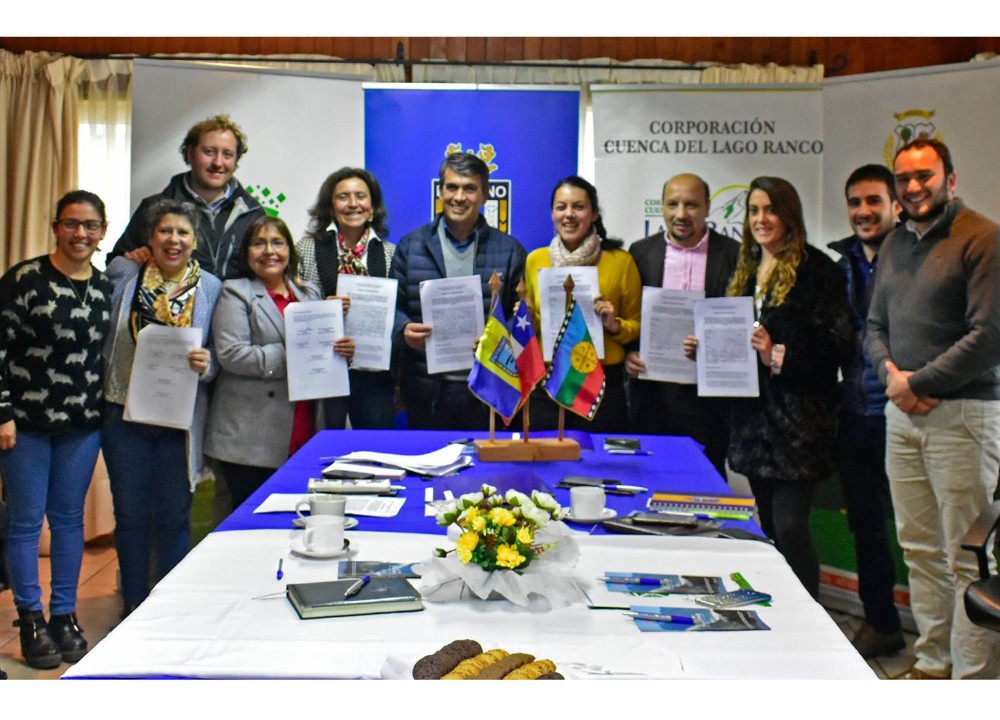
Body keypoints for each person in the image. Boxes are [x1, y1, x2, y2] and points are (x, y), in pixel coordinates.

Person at [867, 138, 1000, 679]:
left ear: (950, 176)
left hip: (964, 418)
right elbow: (874, 327)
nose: (914, 187)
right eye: (904, 178)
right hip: (902, 420)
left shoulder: (984, 239)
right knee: (918, 549)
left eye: (925, 175)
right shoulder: (896, 242)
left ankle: (971, 683)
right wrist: (894, 381)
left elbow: (989, 337)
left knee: (966, 556)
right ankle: (931, 663)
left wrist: (915, 382)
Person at [0, 190, 113, 669]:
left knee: (69, 521)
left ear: (103, 231)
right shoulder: (24, 279)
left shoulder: (106, 287)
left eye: (90, 225)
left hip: (82, 425)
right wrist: (2, 411)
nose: (80, 234)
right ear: (56, 227)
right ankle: (30, 618)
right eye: (71, 224)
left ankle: (64, 615)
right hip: (24, 424)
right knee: (26, 524)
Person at [725, 176, 852, 599]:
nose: (762, 219)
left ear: (789, 215)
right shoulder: (743, 269)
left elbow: (836, 345)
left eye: (771, 210)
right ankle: (778, 611)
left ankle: (810, 619)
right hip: (753, 424)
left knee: (793, 528)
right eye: (754, 211)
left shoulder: (818, 271)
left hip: (799, 425)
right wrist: (706, 350)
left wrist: (777, 353)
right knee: (768, 526)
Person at [101, 199, 222, 618]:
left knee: (174, 515)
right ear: (149, 239)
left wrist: (207, 366)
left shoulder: (211, 287)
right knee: (130, 513)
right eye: (165, 232)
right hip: (123, 414)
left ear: (195, 241)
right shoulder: (124, 275)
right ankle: (133, 601)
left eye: (183, 233)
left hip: (179, 420)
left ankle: (167, 606)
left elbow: (218, 358)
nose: (174, 240)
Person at [205, 217, 351, 509]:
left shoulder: (308, 292)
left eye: (277, 243)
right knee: (252, 525)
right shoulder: (235, 292)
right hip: (250, 436)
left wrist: (342, 349)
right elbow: (232, 354)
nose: (268, 251)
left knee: (295, 521)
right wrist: (295, 355)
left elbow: (321, 349)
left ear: (289, 251)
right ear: (246, 252)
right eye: (258, 243)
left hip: (306, 423)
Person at [826, 165, 904, 659]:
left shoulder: (916, 257)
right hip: (854, 413)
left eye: (873, 201)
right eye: (855, 202)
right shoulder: (841, 265)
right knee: (867, 525)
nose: (863, 211)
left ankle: (962, 636)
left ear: (896, 205)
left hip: (908, 412)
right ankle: (882, 621)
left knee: (928, 529)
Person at [392, 152, 526, 430]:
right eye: (451, 187)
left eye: (470, 188)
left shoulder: (510, 249)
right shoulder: (410, 246)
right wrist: (403, 329)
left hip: (488, 388)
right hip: (426, 388)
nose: (459, 197)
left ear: (486, 194)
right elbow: (394, 307)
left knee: (486, 472)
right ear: (440, 191)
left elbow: (522, 315)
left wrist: (498, 340)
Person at [624, 173, 739, 475]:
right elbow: (630, 317)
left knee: (707, 482)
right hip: (653, 396)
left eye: (691, 205)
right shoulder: (640, 253)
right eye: (672, 204)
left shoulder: (734, 255)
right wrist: (629, 355)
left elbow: (741, 321)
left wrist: (713, 344)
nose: (681, 214)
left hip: (709, 400)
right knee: (651, 477)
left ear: (707, 207)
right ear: (661, 207)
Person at [523, 175, 641, 433]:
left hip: (599, 384)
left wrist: (614, 324)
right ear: (552, 213)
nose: (569, 215)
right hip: (548, 383)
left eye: (579, 206)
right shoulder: (535, 260)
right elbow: (533, 329)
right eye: (561, 207)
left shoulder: (620, 262)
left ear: (595, 213)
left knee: (598, 465)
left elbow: (636, 325)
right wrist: (526, 315)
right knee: (546, 464)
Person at [108, 114, 263, 280]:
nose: (218, 163)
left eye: (227, 154)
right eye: (209, 152)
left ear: (236, 160)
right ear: (190, 154)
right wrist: (135, 259)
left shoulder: (253, 214)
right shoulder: (154, 208)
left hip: (235, 305)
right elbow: (116, 264)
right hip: (170, 304)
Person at [298, 167, 397, 429]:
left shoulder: (391, 253)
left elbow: (397, 315)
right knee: (323, 452)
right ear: (330, 207)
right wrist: (323, 311)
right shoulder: (305, 249)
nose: (353, 204)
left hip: (373, 374)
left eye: (361, 196)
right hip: (322, 370)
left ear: (373, 206)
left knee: (375, 452)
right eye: (343, 197)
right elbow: (291, 307)